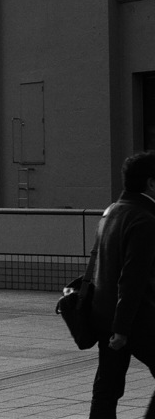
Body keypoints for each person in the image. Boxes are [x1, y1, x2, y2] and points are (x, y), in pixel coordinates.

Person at [89, 150, 155, 418]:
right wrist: (122, 329)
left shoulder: (111, 212)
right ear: (151, 183)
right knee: (108, 387)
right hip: (135, 320)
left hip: (106, 318)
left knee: (107, 388)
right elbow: (132, 278)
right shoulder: (144, 219)